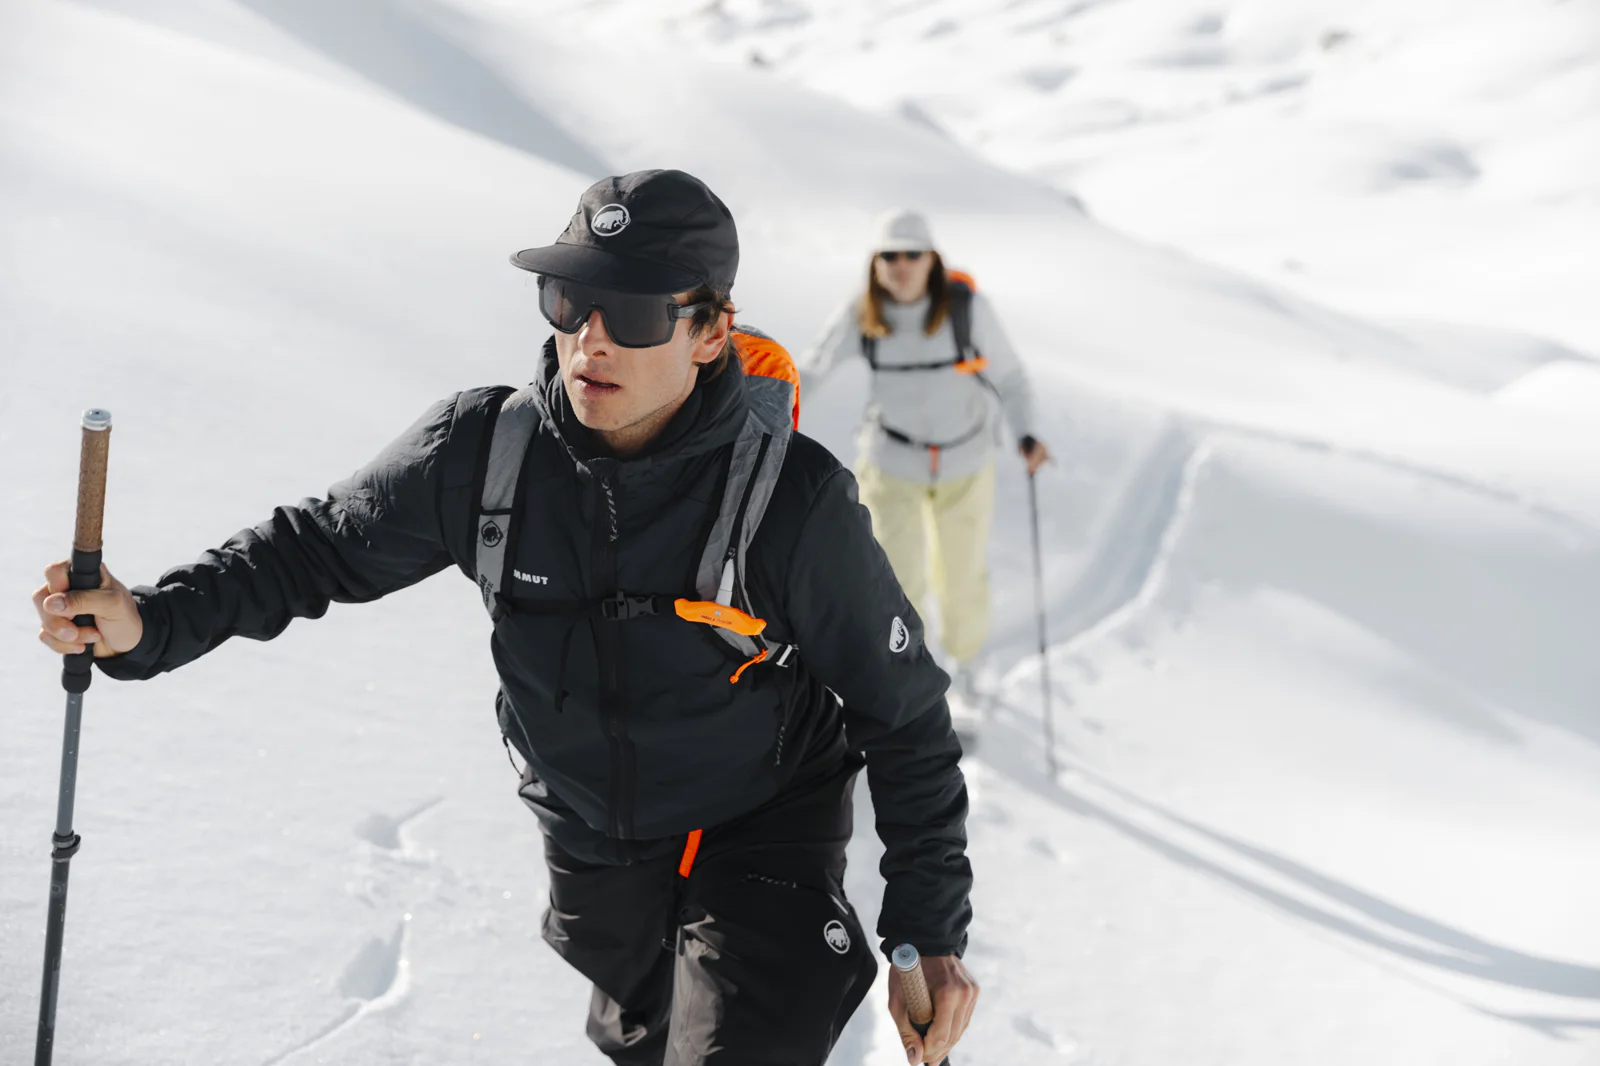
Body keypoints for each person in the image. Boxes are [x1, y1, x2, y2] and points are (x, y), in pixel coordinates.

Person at [31, 170, 977, 1066]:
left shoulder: (791, 504)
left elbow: (903, 713)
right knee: (646, 1045)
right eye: (569, 301)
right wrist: (150, 622)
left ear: (708, 333)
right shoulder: (483, 453)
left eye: (633, 313)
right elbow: (313, 549)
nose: (590, 340)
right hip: (594, 848)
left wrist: (929, 927)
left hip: (761, 827)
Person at [799, 209, 1050, 723]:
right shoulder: (862, 312)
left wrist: (1026, 432)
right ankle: (909, 676)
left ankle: (967, 669)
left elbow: (1011, 377)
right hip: (891, 464)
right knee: (895, 578)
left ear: (932, 259)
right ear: (875, 262)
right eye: (889, 255)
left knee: (961, 576)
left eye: (912, 254)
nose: (901, 265)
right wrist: (759, 408)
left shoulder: (965, 309)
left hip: (965, 462)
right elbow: (810, 372)